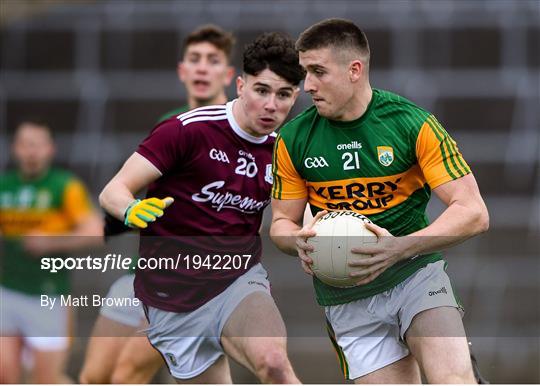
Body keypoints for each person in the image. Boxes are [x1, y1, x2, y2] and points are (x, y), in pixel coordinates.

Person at [270, 18, 489, 384]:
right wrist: (299, 243)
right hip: (346, 296)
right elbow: (281, 223)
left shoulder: (411, 124)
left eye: (318, 72)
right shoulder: (293, 139)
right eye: (304, 72)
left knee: (453, 379)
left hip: (415, 274)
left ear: (354, 70)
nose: (306, 85)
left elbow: (474, 213)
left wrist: (399, 248)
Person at [98, 31, 305, 383]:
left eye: (283, 94)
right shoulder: (186, 130)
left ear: (295, 97)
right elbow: (113, 190)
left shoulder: (284, 150)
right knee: (113, 375)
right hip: (171, 299)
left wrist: (317, 240)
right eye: (262, 90)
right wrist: (131, 209)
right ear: (240, 85)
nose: (272, 105)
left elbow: (297, 216)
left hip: (237, 281)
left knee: (273, 363)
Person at [79, 24, 236, 384]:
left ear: (228, 75)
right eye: (194, 59)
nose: (202, 67)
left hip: (194, 283)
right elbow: (135, 193)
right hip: (144, 271)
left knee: (127, 375)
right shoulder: (169, 123)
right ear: (182, 70)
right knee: (93, 377)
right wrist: (123, 216)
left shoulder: (239, 129)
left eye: (212, 60)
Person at [0, 120, 103, 383]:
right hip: (7, 290)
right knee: (5, 374)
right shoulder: (5, 185)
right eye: (25, 144)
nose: (31, 151)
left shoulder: (63, 186)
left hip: (48, 295)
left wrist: (51, 242)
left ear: (50, 149)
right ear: (15, 149)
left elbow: (96, 232)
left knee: (46, 379)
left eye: (37, 145)